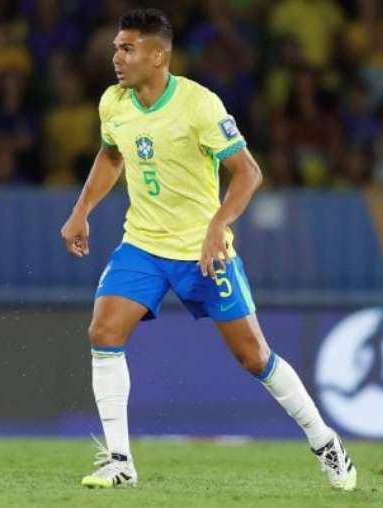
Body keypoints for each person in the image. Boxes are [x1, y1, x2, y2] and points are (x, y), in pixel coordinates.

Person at [60, 8, 356, 491]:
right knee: (104, 331)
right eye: (116, 48)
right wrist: (81, 210)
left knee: (253, 356)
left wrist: (219, 225)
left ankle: (325, 442)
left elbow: (248, 172)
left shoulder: (199, 105)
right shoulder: (113, 102)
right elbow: (112, 154)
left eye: (127, 48)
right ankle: (119, 461)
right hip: (143, 245)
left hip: (202, 251)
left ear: (158, 55)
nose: (116, 57)